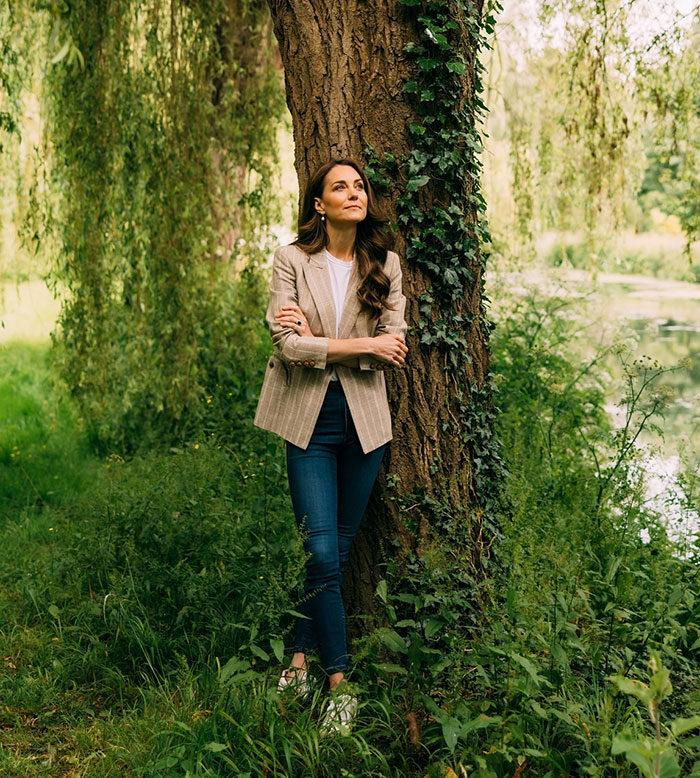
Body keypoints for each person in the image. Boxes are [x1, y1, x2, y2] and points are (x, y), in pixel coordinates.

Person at [253, 157, 408, 735]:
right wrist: (352, 347)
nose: (354, 193)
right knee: (319, 551)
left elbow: (395, 344)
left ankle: (297, 660)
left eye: (359, 185)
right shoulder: (292, 259)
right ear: (319, 203)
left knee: (335, 551)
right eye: (340, 186)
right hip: (308, 418)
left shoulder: (384, 264)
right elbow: (289, 347)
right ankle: (339, 682)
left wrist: (323, 341)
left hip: (366, 421)